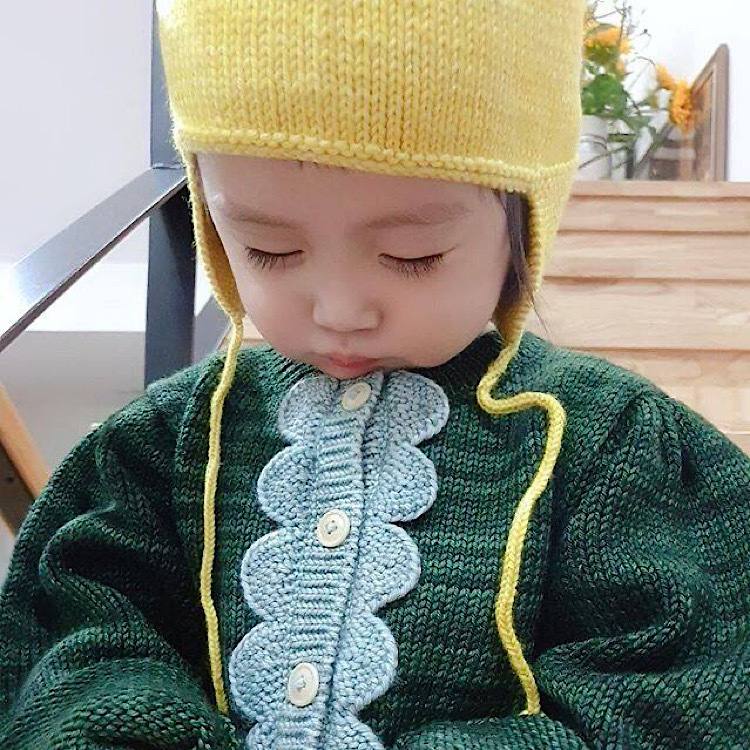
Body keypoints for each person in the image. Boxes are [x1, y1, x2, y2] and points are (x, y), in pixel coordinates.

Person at [1, 1, 748, 747]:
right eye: (269, 250)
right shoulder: (162, 446)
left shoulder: (608, 444)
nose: (339, 311)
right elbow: (76, 645)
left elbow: (678, 693)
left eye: (412, 257)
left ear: (525, 223)